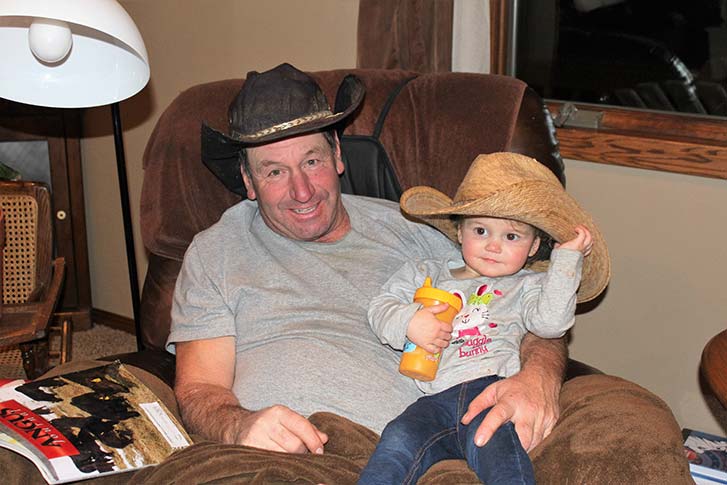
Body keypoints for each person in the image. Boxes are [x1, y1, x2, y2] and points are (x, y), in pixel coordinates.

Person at [167, 63, 567, 463]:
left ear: (338, 155)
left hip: (399, 455)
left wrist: (538, 378)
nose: (302, 191)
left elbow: (528, 300)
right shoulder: (215, 252)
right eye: (274, 171)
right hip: (274, 457)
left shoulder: (413, 230)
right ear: (248, 181)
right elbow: (200, 388)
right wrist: (240, 425)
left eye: (312, 162)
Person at [359, 152, 610, 484]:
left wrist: (566, 261)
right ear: (460, 232)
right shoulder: (426, 273)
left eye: (511, 236)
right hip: (433, 399)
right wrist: (409, 321)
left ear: (534, 246)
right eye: (481, 230)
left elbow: (551, 324)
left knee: (501, 454)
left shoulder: (528, 286)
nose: (493, 246)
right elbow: (380, 307)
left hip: (494, 392)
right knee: (399, 436)